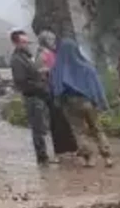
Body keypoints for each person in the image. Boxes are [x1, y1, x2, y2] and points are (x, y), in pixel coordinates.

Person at [51, 37, 113, 168]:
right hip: (88, 103)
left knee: (79, 131)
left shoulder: (58, 69)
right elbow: (97, 87)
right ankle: (107, 157)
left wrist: (59, 103)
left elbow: (56, 88)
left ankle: (89, 158)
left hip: (70, 103)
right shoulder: (87, 67)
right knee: (97, 128)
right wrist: (101, 103)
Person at [9, 29, 54, 166]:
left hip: (38, 94)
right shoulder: (16, 59)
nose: (27, 44)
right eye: (23, 42)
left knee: (42, 126)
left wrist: (40, 73)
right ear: (15, 43)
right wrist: (40, 86)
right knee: (37, 128)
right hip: (32, 97)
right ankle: (42, 157)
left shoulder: (26, 56)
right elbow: (22, 81)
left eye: (27, 41)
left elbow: (32, 73)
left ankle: (44, 155)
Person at [36, 31, 78, 158]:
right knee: (57, 120)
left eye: (54, 39)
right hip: (51, 90)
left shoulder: (52, 53)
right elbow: (39, 72)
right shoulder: (42, 54)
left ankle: (70, 147)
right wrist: (53, 71)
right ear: (44, 41)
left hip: (59, 89)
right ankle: (61, 150)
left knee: (64, 119)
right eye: (50, 39)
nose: (53, 42)